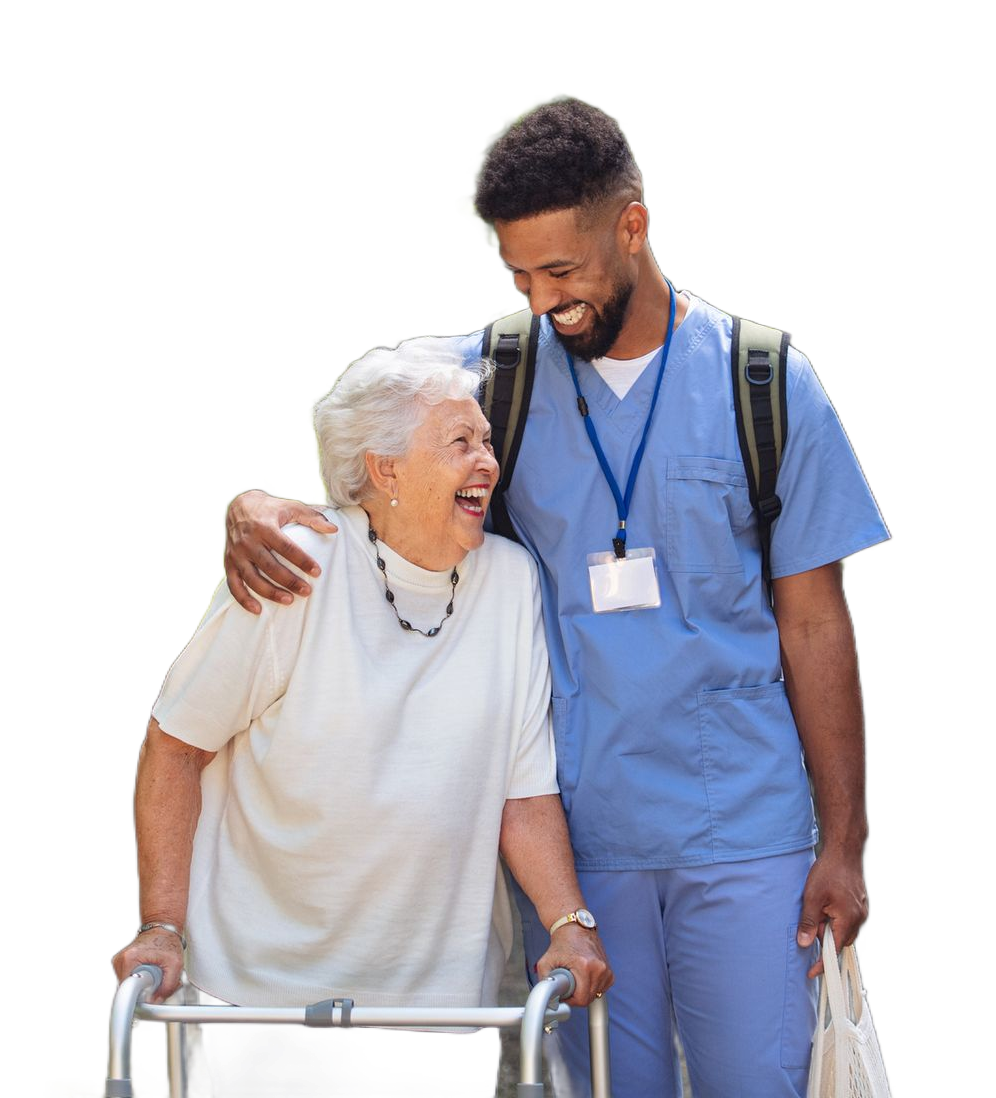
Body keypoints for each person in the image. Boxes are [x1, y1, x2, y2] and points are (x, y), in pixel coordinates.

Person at [221, 96, 890, 1098]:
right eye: (519, 276)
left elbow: (815, 621)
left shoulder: (768, 382)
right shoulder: (490, 376)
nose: (543, 301)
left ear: (633, 225)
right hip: (575, 846)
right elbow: (367, 447)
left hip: (746, 840)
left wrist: (846, 843)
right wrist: (253, 503)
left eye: (564, 273)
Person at [110, 338, 611, 1098]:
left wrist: (569, 920)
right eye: (459, 443)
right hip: (270, 993)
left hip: (445, 1002)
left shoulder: (509, 584)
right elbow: (174, 745)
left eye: (485, 441)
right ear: (385, 470)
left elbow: (523, 790)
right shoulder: (297, 563)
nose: (487, 462)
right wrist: (161, 926)